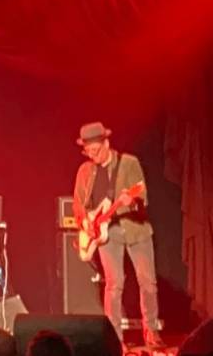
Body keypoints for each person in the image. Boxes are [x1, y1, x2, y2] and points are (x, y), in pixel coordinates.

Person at [71, 122, 161, 348]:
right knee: (113, 284)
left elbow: (143, 197)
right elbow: (78, 204)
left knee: (147, 282)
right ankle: (115, 339)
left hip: (135, 229)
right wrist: (85, 223)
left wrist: (132, 201)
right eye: (88, 151)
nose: (92, 156)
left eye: (96, 150)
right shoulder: (85, 171)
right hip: (106, 233)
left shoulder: (128, 163)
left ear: (106, 143)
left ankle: (150, 331)